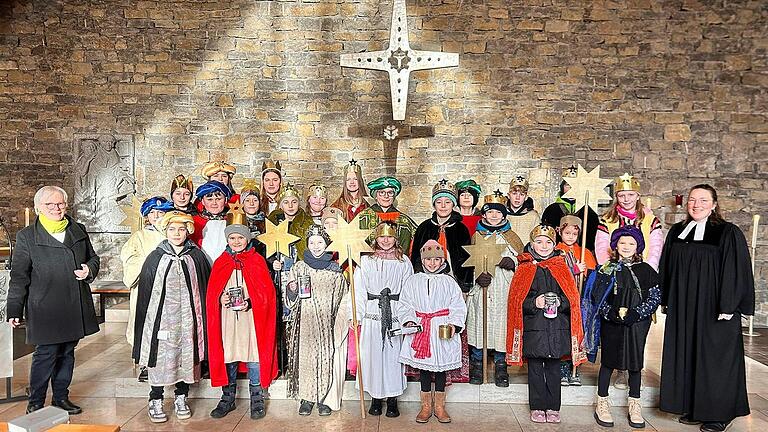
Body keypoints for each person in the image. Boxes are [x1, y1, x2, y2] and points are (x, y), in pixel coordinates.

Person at [659, 184, 755, 432]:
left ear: (714, 204)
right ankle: (694, 407)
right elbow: (667, 267)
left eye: (703, 200)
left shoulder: (727, 232)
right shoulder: (678, 231)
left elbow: (735, 271)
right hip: (684, 307)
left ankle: (718, 414)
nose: (696, 204)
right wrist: (666, 298)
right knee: (689, 353)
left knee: (715, 358)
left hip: (715, 307)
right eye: (692, 200)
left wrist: (728, 305)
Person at [7, 186, 100, 415]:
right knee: (46, 354)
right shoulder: (27, 236)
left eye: (60, 204)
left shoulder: (77, 229)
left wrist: (89, 269)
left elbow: (93, 258)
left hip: (73, 303)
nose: (57, 209)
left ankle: (61, 398)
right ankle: (36, 401)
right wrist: (14, 309)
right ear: (39, 208)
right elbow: (19, 276)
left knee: (67, 353)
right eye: (50, 205)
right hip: (45, 306)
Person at [132, 211, 210, 423]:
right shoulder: (156, 257)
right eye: (172, 229)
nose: (177, 233)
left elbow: (203, 287)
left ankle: (181, 396)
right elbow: (146, 295)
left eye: (182, 229)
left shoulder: (196, 255)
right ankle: (155, 398)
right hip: (162, 319)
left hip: (189, 318)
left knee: (187, 354)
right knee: (160, 357)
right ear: (165, 231)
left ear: (188, 231)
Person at [506, 225, 586, 424]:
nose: (544, 246)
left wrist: (560, 301)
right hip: (535, 328)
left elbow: (572, 298)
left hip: (557, 327)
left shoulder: (561, 266)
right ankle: (537, 406)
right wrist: (535, 302)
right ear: (532, 244)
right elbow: (516, 301)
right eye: (539, 242)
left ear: (554, 244)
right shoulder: (525, 268)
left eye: (548, 242)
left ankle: (553, 406)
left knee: (553, 368)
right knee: (535, 369)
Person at [581, 225, 660, 428]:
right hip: (612, 323)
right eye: (622, 242)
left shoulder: (646, 270)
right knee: (608, 361)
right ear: (615, 245)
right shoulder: (606, 268)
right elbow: (596, 295)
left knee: (635, 363)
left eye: (631, 243)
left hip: (637, 323)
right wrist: (609, 312)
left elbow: (655, 296)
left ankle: (635, 404)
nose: (626, 246)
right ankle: (602, 403)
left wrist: (638, 313)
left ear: (638, 247)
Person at [206, 213, 278, 421]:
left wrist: (251, 302)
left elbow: (267, 293)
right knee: (228, 356)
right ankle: (227, 398)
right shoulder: (221, 261)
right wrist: (221, 299)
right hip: (227, 319)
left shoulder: (256, 260)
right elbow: (212, 293)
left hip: (251, 319)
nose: (236, 242)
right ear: (227, 240)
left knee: (254, 355)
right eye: (232, 238)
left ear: (247, 239)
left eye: (240, 238)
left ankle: (257, 398)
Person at [399, 240, 467, 424]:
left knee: (441, 368)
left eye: (437, 259)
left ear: (442, 260)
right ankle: (426, 406)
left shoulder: (449, 281)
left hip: (442, 327)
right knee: (424, 369)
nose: (432, 263)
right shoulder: (413, 281)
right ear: (422, 260)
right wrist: (410, 319)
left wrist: (454, 324)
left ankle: (439, 406)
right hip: (421, 328)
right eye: (429, 260)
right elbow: (405, 304)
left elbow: (458, 306)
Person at [285, 225, 350, 416]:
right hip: (304, 321)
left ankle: (323, 398)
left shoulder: (335, 270)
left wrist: (339, 323)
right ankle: (307, 398)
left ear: (327, 244)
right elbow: (289, 297)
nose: (315, 246)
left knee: (325, 358)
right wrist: (292, 289)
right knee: (306, 359)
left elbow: (343, 298)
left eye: (320, 242)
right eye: (311, 242)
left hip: (325, 322)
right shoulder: (299, 267)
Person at [354, 221, 414, 417]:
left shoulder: (403, 261)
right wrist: (355, 315)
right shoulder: (366, 261)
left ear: (395, 238)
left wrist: (407, 317)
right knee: (373, 356)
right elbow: (359, 290)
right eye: (382, 236)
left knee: (393, 357)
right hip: (373, 312)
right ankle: (376, 398)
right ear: (376, 238)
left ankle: (393, 399)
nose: (386, 240)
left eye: (389, 236)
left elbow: (408, 290)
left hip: (395, 312)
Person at [466, 190, 523, 387]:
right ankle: (477, 365)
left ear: (504, 215)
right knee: (480, 326)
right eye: (490, 213)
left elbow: (523, 261)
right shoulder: (477, 236)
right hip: (483, 287)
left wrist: (512, 261)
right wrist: (477, 276)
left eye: (498, 213)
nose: (494, 216)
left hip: (503, 288)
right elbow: (470, 262)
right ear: (483, 215)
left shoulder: (511, 236)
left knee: (501, 328)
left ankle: (501, 367)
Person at [120, 196, 174, 382]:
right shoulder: (139, 236)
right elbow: (130, 258)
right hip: (147, 286)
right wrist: (148, 263)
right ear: (146, 216)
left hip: (169, 287)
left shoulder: (173, 232)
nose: (157, 216)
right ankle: (145, 363)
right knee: (147, 324)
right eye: (153, 213)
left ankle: (168, 361)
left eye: (162, 212)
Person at [555, 214, 597, 386]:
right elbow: (555, 272)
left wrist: (584, 272)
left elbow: (593, 276)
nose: (571, 236)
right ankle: (563, 366)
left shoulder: (584, 252)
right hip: (562, 298)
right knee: (563, 331)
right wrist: (573, 268)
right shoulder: (555, 250)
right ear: (560, 232)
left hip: (579, 300)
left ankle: (575, 366)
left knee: (578, 332)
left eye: (574, 233)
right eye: (567, 233)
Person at [410, 180, 473, 291]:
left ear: (453, 204)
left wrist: (464, 285)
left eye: (448, 202)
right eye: (439, 202)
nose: (443, 206)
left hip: (454, 284)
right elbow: (415, 256)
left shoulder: (461, 229)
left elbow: (466, 259)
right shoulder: (424, 228)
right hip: (426, 282)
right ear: (434, 204)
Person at [594, 173, 663, 270]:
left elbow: (655, 248)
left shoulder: (650, 220)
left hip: (643, 269)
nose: (626, 199)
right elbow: (601, 247)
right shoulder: (607, 220)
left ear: (638, 196)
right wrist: (608, 270)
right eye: (621, 195)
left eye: (631, 194)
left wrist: (648, 270)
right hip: (615, 271)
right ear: (616, 197)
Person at [541, 165, 599, 252]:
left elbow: (593, 240)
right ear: (562, 187)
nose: (572, 189)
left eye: (575, 185)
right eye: (568, 185)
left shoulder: (590, 213)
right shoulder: (551, 210)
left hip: (582, 256)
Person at [357, 176, 417, 253]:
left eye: (390, 193)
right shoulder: (362, 217)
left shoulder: (404, 221)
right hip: (369, 263)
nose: (386, 196)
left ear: (394, 196)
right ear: (376, 196)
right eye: (382, 192)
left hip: (398, 263)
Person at [190, 180, 232, 263]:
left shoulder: (233, 220)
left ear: (225, 200)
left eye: (218, 199)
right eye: (209, 199)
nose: (214, 203)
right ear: (203, 201)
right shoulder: (194, 221)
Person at [506, 175, 540, 242]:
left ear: (526, 197)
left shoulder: (533, 216)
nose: (517, 198)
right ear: (509, 195)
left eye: (521, 194)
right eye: (514, 193)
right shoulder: (501, 215)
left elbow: (537, 239)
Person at [238, 179, 267, 257]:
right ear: (242, 203)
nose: (251, 203)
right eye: (247, 200)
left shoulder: (266, 222)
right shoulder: (237, 221)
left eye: (255, 200)